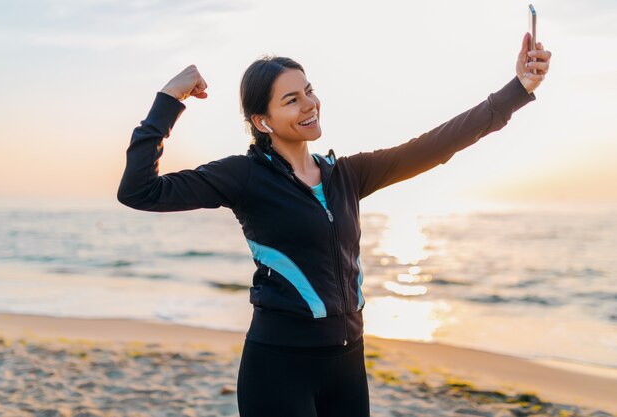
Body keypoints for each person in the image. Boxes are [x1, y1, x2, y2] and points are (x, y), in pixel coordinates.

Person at [117, 32, 551, 417]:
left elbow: (437, 145)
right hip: (278, 368)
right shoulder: (244, 177)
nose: (309, 105)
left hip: (347, 363)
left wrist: (519, 89)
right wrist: (169, 100)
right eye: (291, 100)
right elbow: (139, 191)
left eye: (308, 91)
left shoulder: (346, 175)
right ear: (262, 122)